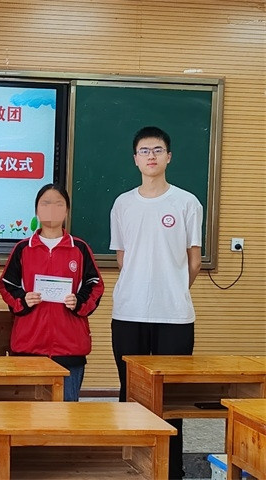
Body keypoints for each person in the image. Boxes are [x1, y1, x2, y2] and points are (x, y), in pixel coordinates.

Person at [110, 126, 203, 479]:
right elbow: (122, 257)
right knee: (130, 392)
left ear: (169, 157)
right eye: (144, 151)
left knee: (170, 397)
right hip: (128, 312)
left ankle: (171, 470)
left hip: (174, 315)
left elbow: (194, 260)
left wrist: (172, 288)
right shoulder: (123, 203)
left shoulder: (187, 202)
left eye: (158, 150)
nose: (151, 156)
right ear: (135, 159)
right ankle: (130, 467)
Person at [0, 183, 104, 401]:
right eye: (45, 204)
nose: (52, 209)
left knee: (66, 413)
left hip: (70, 348)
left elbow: (95, 285)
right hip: (29, 346)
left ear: (67, 211)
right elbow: (6, 285)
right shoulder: (23, 248)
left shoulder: (80, 248)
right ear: (36, 210)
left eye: (58, 204)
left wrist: (78, 302)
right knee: (25, 413)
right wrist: (23, 300)